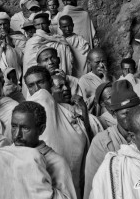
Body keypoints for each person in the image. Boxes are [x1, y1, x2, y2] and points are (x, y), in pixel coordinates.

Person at [0, 101, 77, 199]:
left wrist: (35, 179)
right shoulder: (0, 157)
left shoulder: (57, 162)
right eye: (14, 126)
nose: (17, 135)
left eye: (25, 128)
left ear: (41, 129)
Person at [25, 66, 92, 198]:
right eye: (31, 85)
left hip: (68, 174)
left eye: (40, 82)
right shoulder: (23, 113)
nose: (37, 89)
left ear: (50, 83)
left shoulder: (68, 111)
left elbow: (82, 139)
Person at [84, 79, 140, 199]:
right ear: (114, 115)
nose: (131, 118)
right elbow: (92, 184)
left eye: (135, 112)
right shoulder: (102, 143)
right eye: (125, 114)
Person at [23, 13, 73, 79]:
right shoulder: (31, 42)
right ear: (34, 26)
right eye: (38, 25)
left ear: (49, 23)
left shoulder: (55, 37)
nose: (41, 27)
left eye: (43, 23)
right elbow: (29, 63)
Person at [0, 12, 26, 78]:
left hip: (17, 73)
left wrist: (10, 44)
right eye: (0, 24)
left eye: (5, 24)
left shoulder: (18, 36)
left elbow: (24, 59)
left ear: (9, 24)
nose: (3, 27)